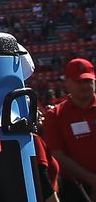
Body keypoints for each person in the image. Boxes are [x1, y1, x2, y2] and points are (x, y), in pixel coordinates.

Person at [42, 58, 96, 201]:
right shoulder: (55, 115)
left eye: (88, 81)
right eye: (79, 82)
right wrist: (91, 179)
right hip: (76, 189)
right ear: (67, 83)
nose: (84, 86)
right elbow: (57, 154)